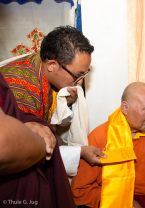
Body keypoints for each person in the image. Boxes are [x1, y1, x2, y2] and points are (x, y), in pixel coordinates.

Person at [0, 25, 104, 175]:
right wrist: (80, 152)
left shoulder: (44, 72)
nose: (80, 82)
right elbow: (27, 148)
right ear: (52, 66)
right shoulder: (21, 87)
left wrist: (66, 103)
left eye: (84, 75)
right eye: (77, 75)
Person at [71, 82, 145, 208]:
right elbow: (80, 192)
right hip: (114, 198)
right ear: (125, 108)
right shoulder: (100, 138)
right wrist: (126, 203)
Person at [0, 73, 76, 208]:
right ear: (53, 65)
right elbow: (4, 143)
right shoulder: (23, 84)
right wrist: (44, 144)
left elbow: (10, 114)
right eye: (77, 75)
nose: (77, 83)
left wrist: (26, 123)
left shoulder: (51, 86)